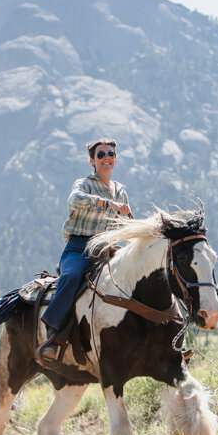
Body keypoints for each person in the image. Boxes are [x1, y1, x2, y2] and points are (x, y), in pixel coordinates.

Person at [37, 138, 132, 363]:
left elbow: (123, 225)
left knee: (138, 275)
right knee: (71, 276)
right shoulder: (84, 184)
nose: (107, 157)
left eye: (111, 154)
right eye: (101, 155)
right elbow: (74, 201)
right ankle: (54, 334)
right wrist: (107, 204)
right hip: (79, 247)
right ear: (92, 160)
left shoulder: (121, 192)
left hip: (107, 247)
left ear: (115, 159)